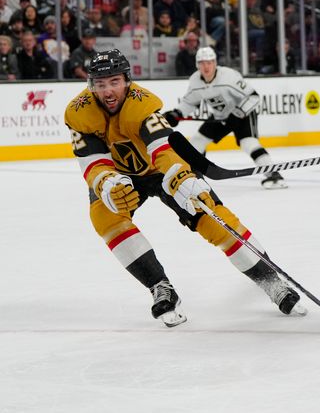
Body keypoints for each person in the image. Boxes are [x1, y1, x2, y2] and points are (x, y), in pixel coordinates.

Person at [64, 49, 304, 327]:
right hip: (119, 175)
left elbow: (162, 148)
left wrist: (180, 175)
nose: (108, 91)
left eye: (114, 81)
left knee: (208, 213)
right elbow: (92, 162)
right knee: (104, 216)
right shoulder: (79, 112)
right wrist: (105, 182)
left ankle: (272, 281)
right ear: (91, 86)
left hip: (159, 170)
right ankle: (159, 287)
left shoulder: (140, 105)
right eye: (101, 84)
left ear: (127, 81)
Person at [162, 46, 287, 189]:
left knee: (249, 143)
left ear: (215, 63)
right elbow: (190, 102)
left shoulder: (229, 76)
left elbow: (253, 97)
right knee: (197, 142)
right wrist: (177, 114)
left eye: (209, 62)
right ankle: (195, 176)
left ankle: (273, 175)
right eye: (202, 63)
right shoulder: (195, 80)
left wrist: (237, 114)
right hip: (220, 117)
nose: (206, 66)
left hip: (243, 114)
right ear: (197, 65)